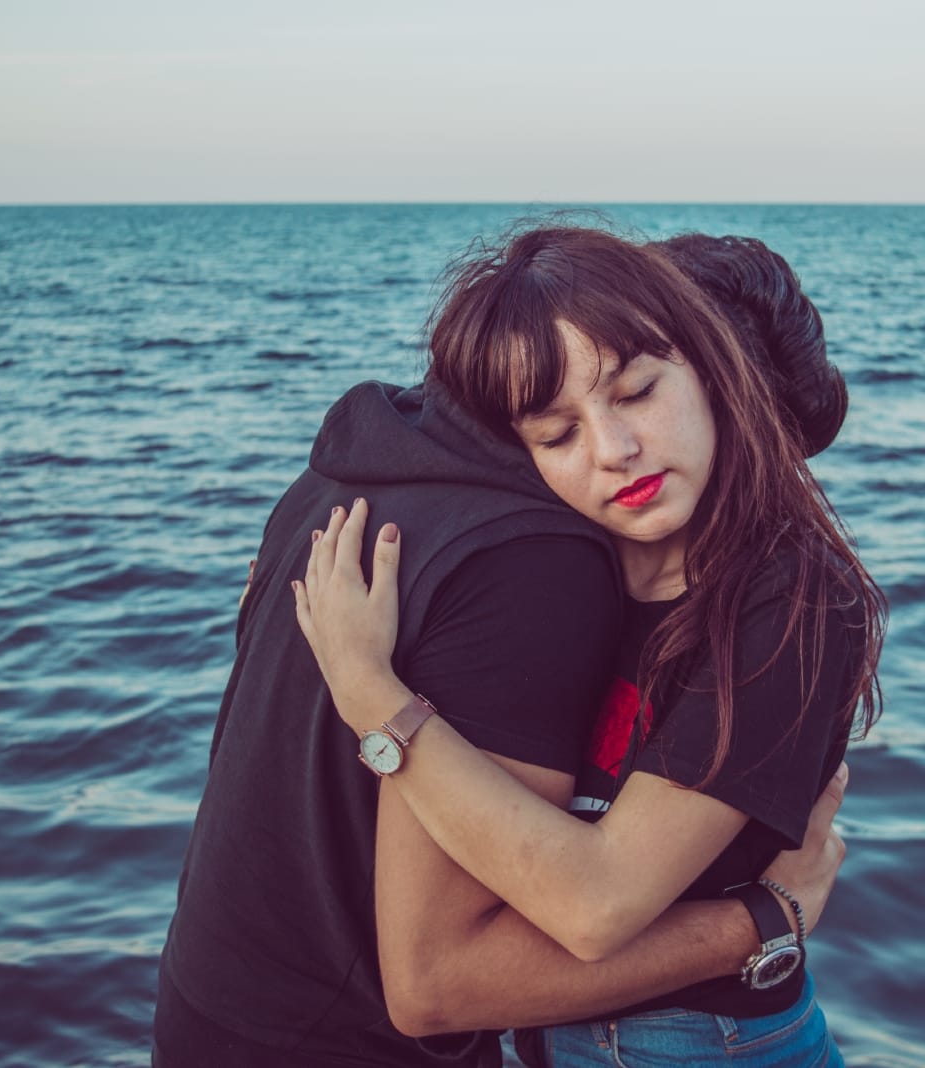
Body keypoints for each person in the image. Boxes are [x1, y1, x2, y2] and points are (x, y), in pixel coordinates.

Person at [153, 229, 857, 1067]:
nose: (611, 448)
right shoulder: (563, 556)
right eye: (556, 433)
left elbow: (595, 904)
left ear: (716, 375)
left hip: (715, 1043)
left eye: (637, 392)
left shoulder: (789, 601)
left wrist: (369, 694)